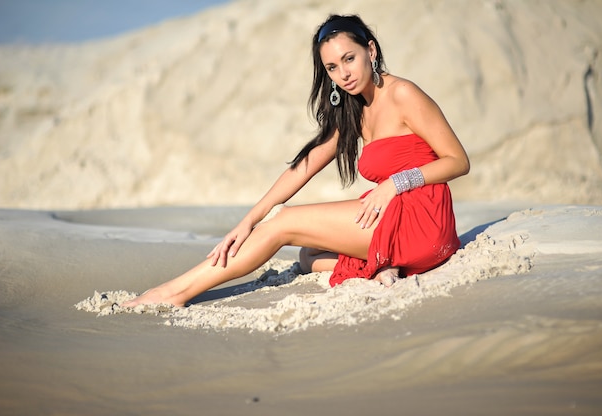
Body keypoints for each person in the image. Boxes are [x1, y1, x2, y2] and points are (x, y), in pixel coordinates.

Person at [123, 14, 469, 308]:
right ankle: (386, 265)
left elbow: (457, 161)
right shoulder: (353, 109)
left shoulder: (403, 93)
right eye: (332, 67)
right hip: (387, 214)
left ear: (371, 51)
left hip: (421, 217)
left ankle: (173, 292)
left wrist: (395, 184)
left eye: (349, 58)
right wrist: (248, 221)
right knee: (307, 257)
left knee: (285, 223)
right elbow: (302, 168)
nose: (343, 74)